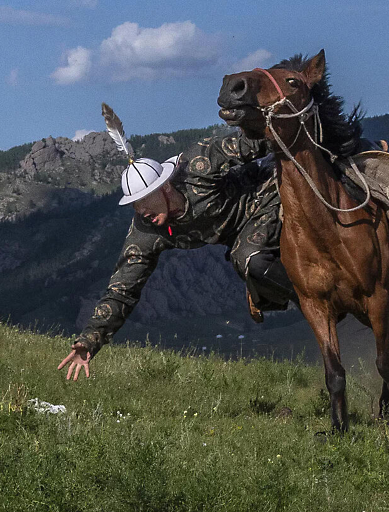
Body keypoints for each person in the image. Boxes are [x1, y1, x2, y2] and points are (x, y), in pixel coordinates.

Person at [58, 133, 298, 380]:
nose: (142, 211)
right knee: (251, 261)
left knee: (249, 255)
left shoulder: (198, 163)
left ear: (165, 187)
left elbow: (254, 141)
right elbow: (122, 290)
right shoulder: (146, 231)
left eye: (145, 200)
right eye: (135, 204)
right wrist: (89, 340)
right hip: (243, 239)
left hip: (269, 189)